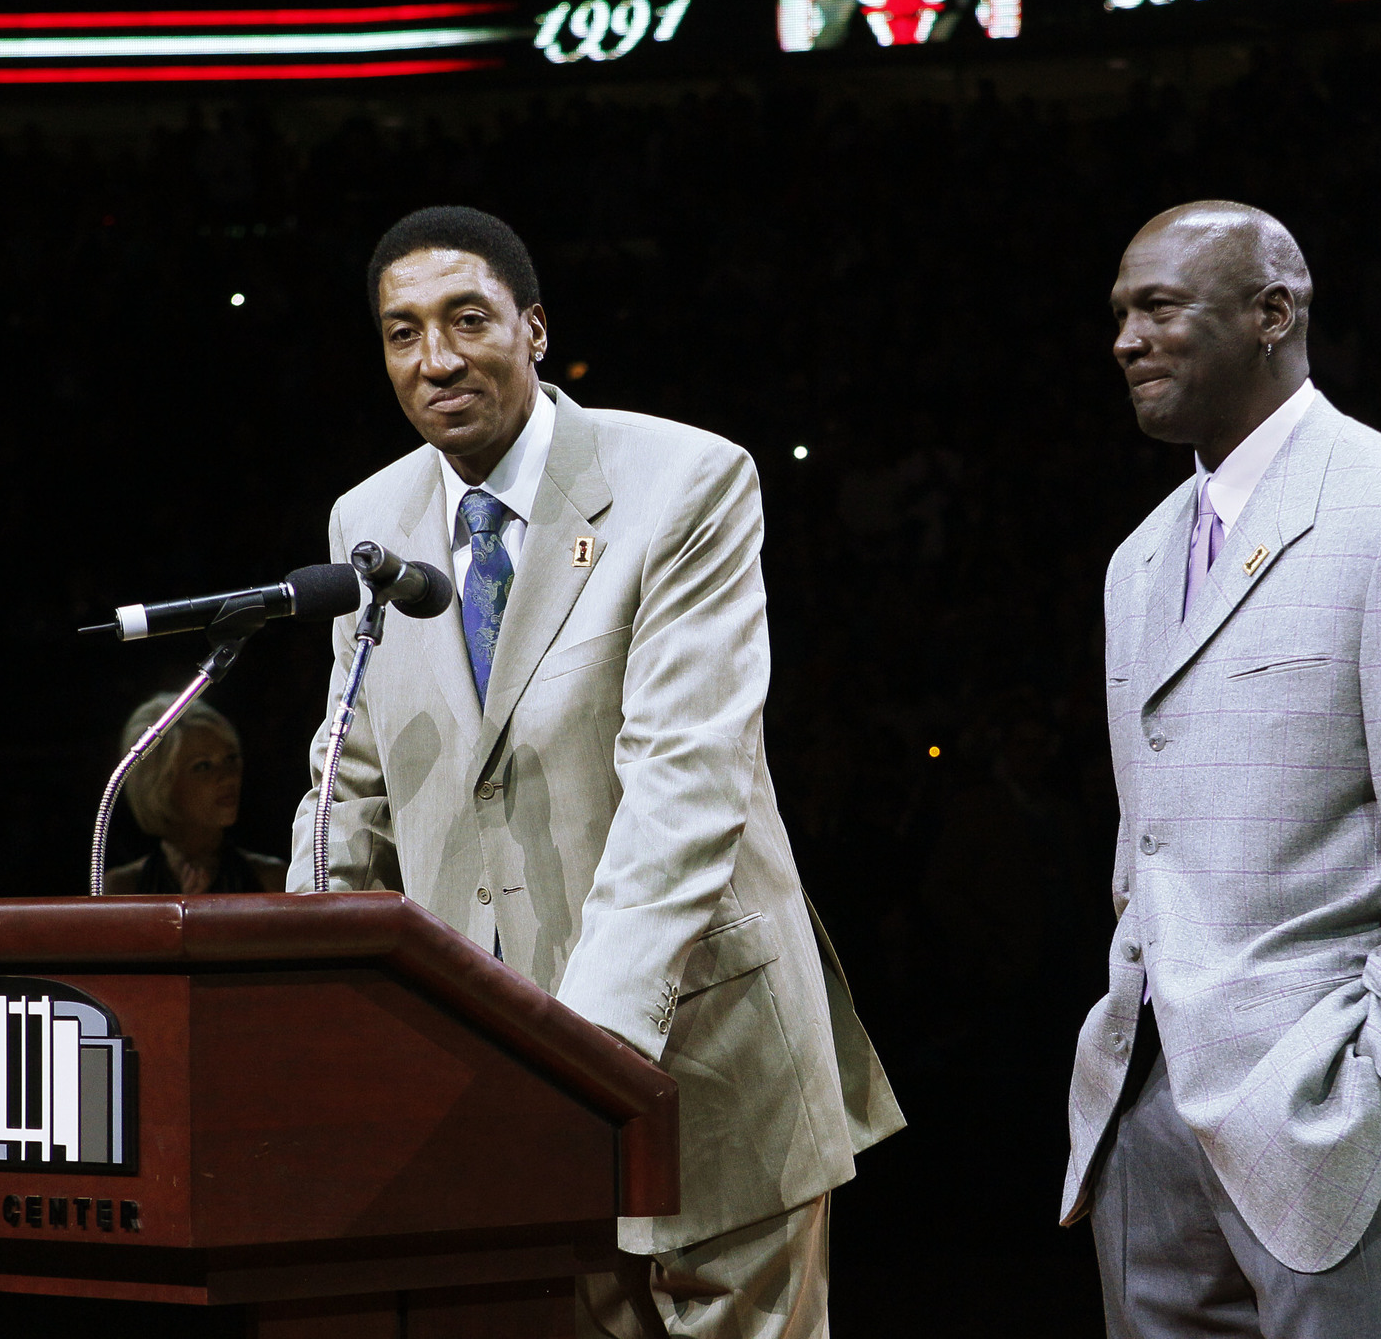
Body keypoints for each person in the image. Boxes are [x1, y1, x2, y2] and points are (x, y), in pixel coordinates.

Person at [291, 206, 902, 1338]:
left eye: (467, 320)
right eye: (401, 332)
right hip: (494, 1089)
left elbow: (687, 775)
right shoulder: (367, 519)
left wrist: (581, 1058)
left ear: (531, 329)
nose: (435, 360)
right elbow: (349, 787)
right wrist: (300, 1020)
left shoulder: (685, 480)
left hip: (694, 1058)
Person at [1061, 201, 1381, 1338]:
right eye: (1118, 314)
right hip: (1148, 1107)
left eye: (1159, 308)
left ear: (1271, 314)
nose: (1125, 339)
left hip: (1338, 1116)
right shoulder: (1137, 561)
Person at [104, 695, 284, 894]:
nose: (228, 778)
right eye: (203, 766)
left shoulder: (272, 880)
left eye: (231, 759)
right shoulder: (122, 889)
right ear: (159, 783)